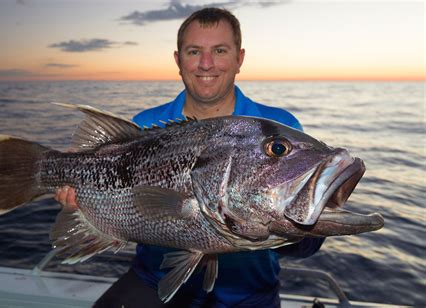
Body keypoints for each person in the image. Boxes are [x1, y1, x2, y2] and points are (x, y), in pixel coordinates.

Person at [55, 7, 324, 308]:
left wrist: (285, 224)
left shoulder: (277, 131)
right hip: (153, 280)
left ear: (240, 58)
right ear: (178, 60)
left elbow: (308, 247)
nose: (206, 64)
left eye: (219, 50)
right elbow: (131, 205)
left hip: (248, 296)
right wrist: (83, 202)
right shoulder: (146, 124)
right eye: (194, 51)